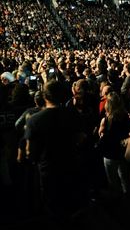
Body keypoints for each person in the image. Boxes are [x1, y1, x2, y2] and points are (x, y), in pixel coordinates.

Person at [24, 80, 88, 222]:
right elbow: (81, 138)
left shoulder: (34, 120)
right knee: (69, 200)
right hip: (70, 163)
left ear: (44, 97)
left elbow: (30, 152)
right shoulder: (72, 114)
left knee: (52, 204)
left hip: (48, 168)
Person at [98, 92, 130, 195]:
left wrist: (101, 128)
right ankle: (128, 198)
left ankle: (116, 200)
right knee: (124, 177)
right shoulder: (125, 116)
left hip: (110, 153)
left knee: (112, 180)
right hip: (122, 151)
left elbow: (102, 135)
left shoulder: (107, 120)